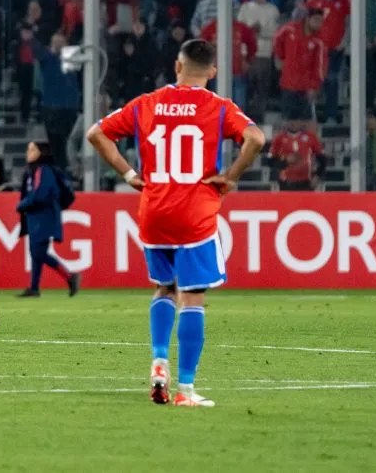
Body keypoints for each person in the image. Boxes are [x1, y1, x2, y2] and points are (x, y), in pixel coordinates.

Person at [86, 39, 265, 408]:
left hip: (154, 210)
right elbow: (255, 139)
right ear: (213, 72)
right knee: (193, 296)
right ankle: (185, 389)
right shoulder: (218, 107)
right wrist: (231, 176)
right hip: (195, 212)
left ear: (177, 66)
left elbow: (96, 133)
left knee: (163, 288)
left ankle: (158, 361)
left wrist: (128, 172)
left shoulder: (146, 103)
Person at [16, 142, 79, 298]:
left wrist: (23, 204)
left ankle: (70, 276)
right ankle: (34, 288)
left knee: (38, 252)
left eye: (32, 149)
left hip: (43, 217)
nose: (28, 152)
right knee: (36, 253)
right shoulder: (33, 170)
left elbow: (41, 194)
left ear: (40, 153)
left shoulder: (43, 170)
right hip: (35, 217)